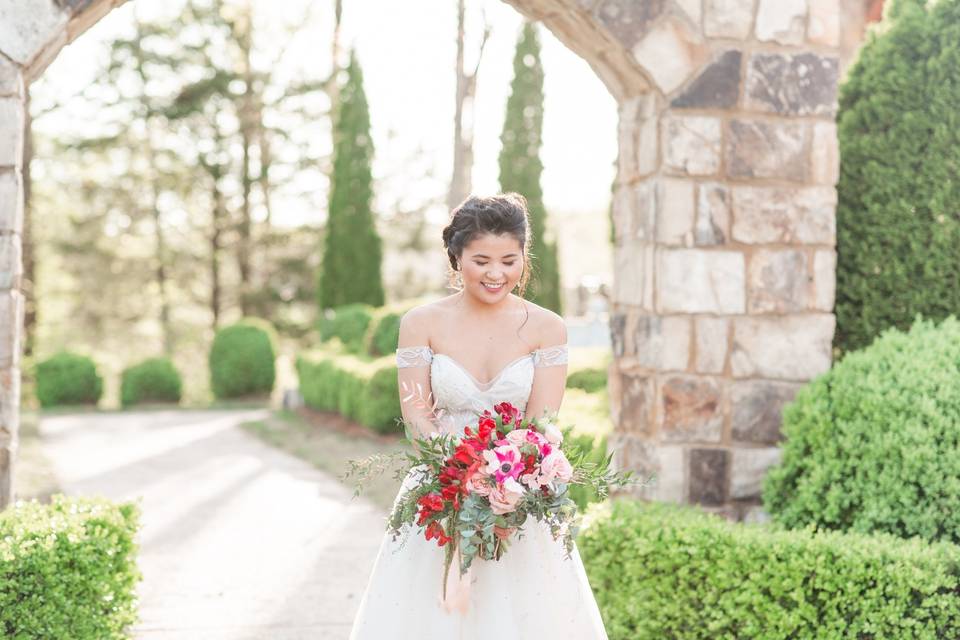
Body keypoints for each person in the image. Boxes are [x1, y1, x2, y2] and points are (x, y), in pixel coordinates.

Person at [348, 193, 608, 639]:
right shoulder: (420, 323)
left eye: (509, 260)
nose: (496, 273)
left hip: (517, 493)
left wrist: (507, 481)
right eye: (481, 260)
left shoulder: (548, 328)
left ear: (524, 258)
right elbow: (418, 418)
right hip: (439, 485)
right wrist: (459, 476)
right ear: (457, 257)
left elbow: (541, 423)